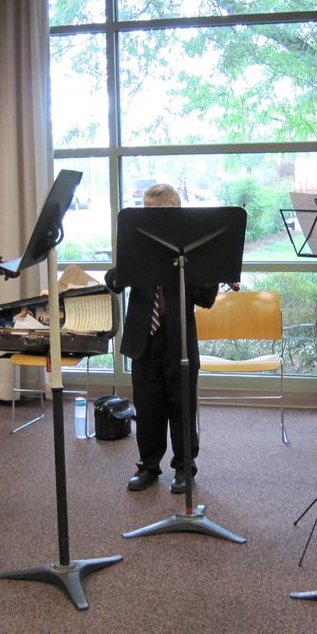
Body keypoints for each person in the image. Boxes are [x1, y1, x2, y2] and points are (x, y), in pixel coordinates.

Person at [104, 184, 220, 493]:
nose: (154, 221)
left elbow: (204, 298)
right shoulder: (136, 242)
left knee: (182, 405)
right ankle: (148, 466)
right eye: (149, 213)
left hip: (179, 338)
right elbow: (115, 279)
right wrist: (119, 274)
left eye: (162, 214)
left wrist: (216, 273)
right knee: (148, 404)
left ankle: (184, 468)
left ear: (176, 214)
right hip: (144, 335)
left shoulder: (191, 249)